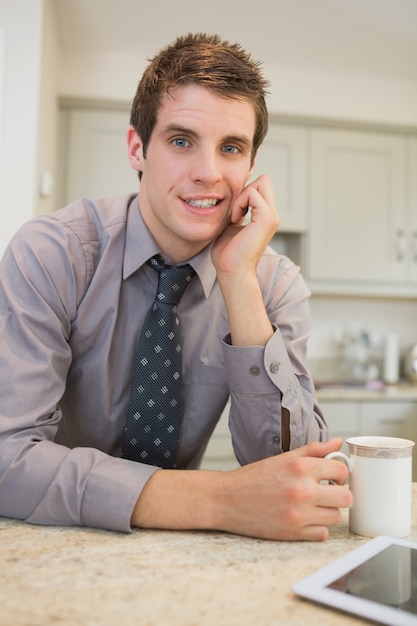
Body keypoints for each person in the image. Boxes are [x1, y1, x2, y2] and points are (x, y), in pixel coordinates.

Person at [0, 33, 351, 541]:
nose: (208, 173)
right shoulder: (53, 254)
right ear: (137, 148)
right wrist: (220, 500)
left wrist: (238, 280)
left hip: (182, 558)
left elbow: (291, 475)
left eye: (231, 148)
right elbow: (8, 457)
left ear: (250, 169)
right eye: (182, 141)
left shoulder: (272, 283)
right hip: (54, 537)